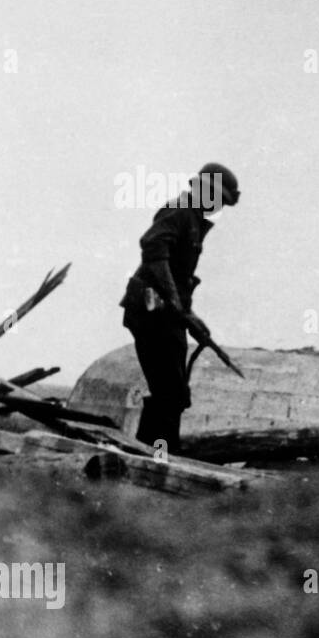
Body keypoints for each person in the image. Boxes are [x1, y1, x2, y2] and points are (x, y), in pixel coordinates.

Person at [119, 163, 239, 455]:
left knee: (174, 394)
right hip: (151, 313)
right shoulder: (181, 211)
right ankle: (154, 456)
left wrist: (190, 315)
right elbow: (153, 247)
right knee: (170, 393)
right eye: (216, 197)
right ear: (202, 189)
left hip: (166, 315)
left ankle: (157, 453)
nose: (217, 205)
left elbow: (180, 277)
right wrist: (174, 300)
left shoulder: (194, 221)